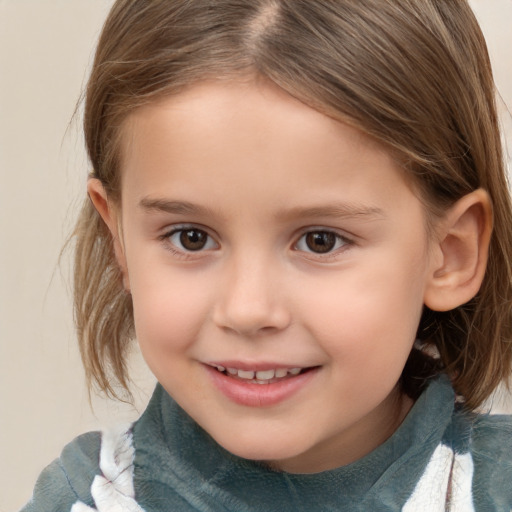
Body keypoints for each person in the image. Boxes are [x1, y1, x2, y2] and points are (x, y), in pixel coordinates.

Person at [22, 0, 512, 510]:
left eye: (320, 240)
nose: (248, 309)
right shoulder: (89, 500)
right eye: (190, 237)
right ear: (116, 240)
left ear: (450, 254)